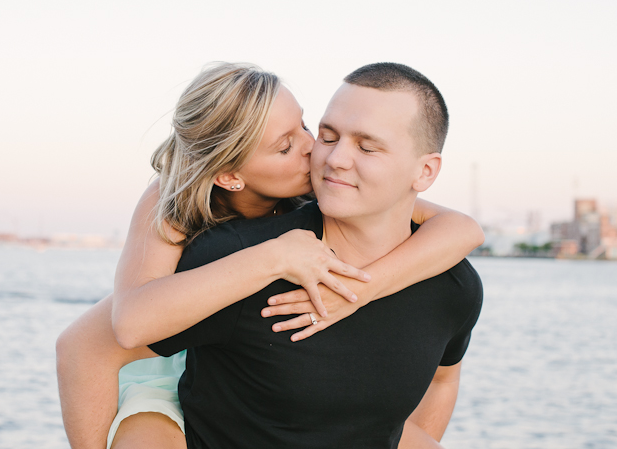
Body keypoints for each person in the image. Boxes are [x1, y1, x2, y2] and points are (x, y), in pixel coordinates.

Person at [56, 62, 483, 449]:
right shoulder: (176, 203)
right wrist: (274, 257)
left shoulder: (328, 184)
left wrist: (358, 290)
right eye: (288, 146)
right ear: (228, 174)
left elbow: (461, 229)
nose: (320, 153)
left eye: (306, 128)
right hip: (162, 365)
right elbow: (114, 332)